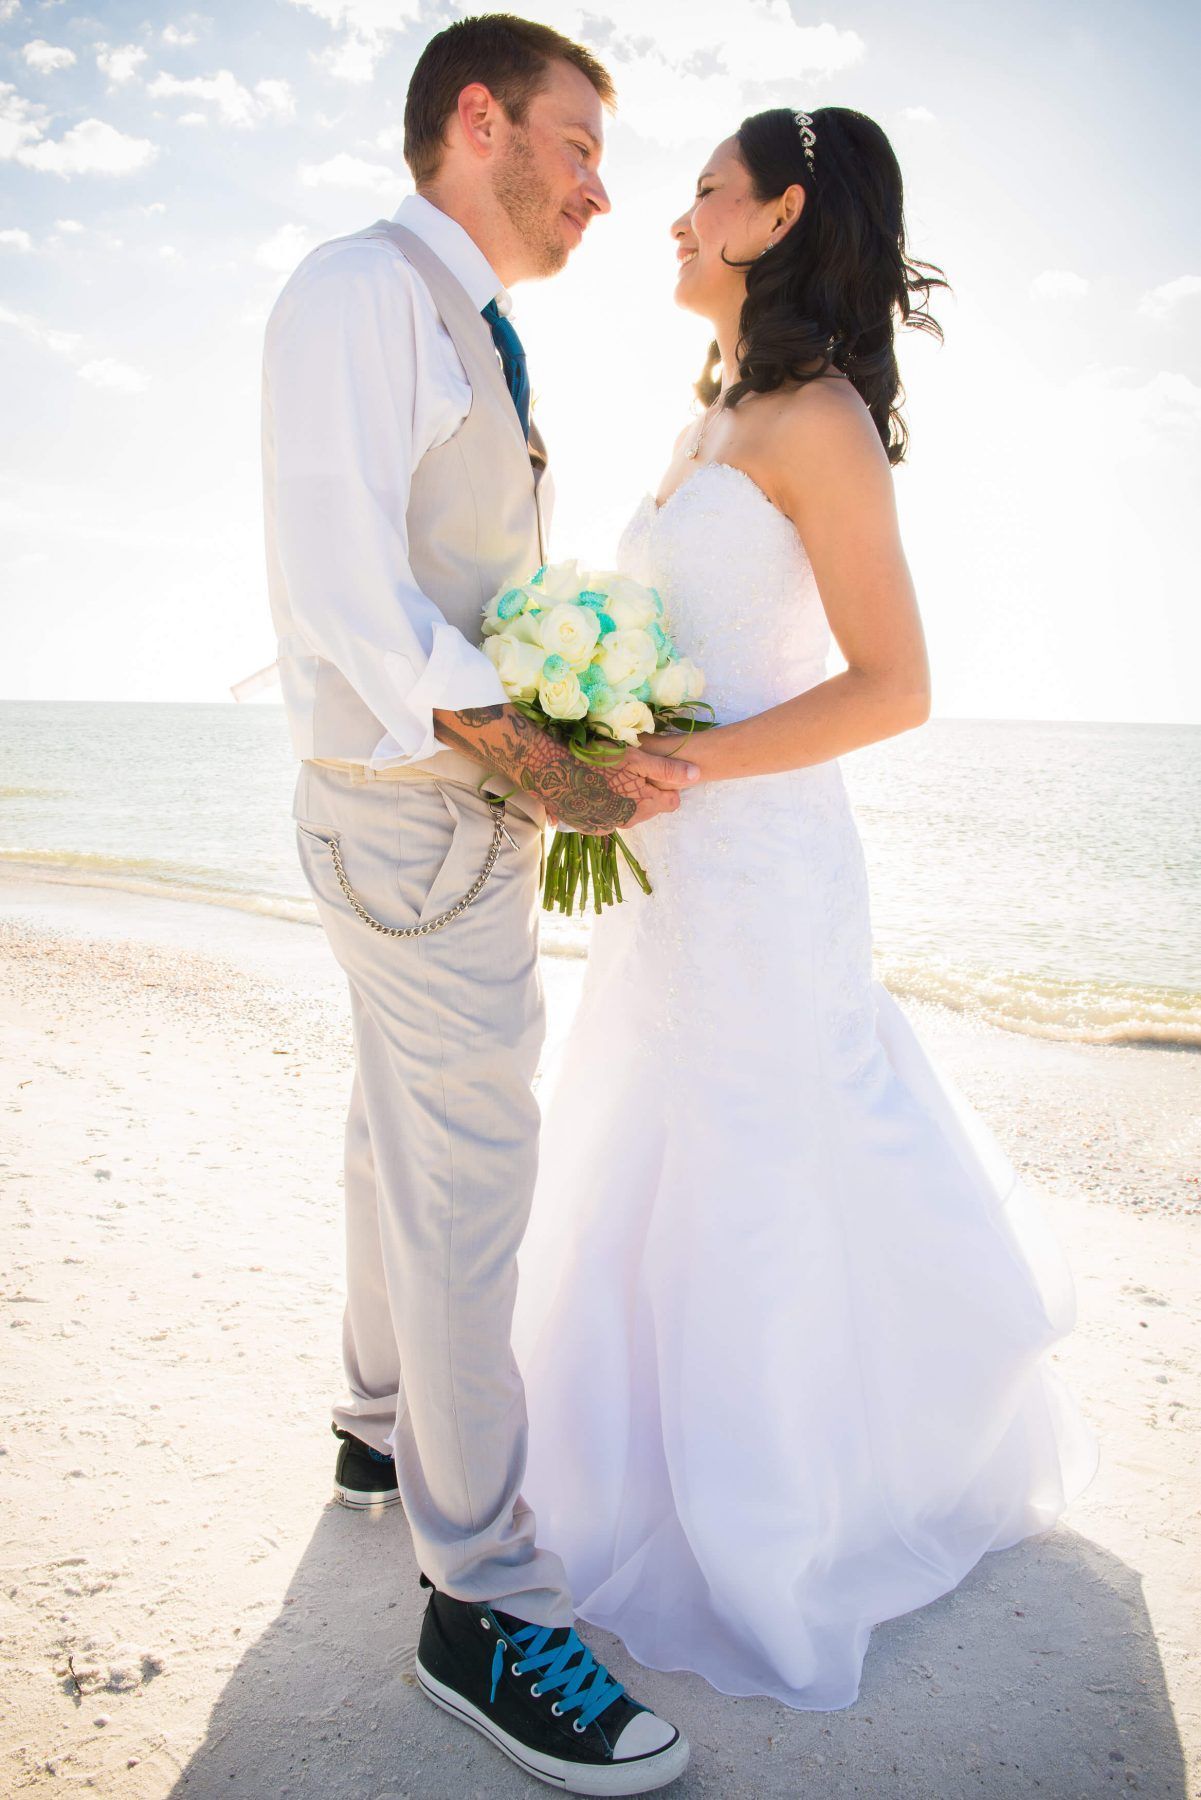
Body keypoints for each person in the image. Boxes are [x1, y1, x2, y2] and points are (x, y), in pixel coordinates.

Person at [513, 105, 1099, 1712]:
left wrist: (679, 759)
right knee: (641, 1138)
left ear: (774, 215)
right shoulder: (713, 411)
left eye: (703, 192)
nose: (671, 215)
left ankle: (778, 1519)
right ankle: (623, 1478)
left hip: (759, 871)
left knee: (759, 1165)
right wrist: (592, 732)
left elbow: (896, 686)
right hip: (669, 869)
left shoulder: (814, 423)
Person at [261, 14, 692, 1793]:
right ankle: (482, 1602)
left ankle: (375, 1432)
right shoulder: (362, 290)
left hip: (435, 804)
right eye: (579, 144)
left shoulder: (465, 322)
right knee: (467, 1182)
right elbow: (344, 583)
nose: (602, 187)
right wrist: (543, 755)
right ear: (476, 120)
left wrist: (550, 727)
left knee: (399, 1138)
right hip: (423, 805)